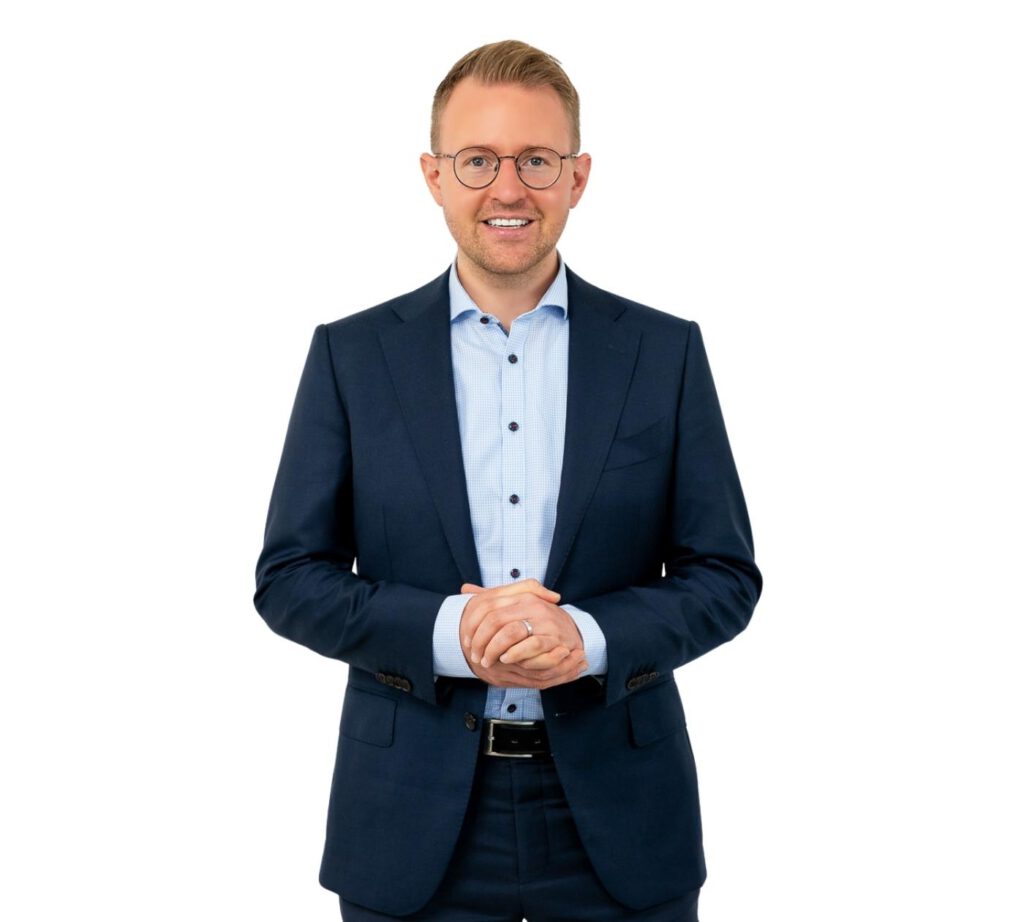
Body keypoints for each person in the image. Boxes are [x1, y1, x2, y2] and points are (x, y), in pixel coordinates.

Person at [254, 39, 762, 921]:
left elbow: (724, 575)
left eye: (536, 160)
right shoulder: (351, 356)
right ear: (434, 176)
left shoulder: (663, 352)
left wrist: (589, 638)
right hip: (409, 820)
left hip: (622, 820)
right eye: (478, 160)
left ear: (578, 177)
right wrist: (450, 631)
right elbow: (289, 578)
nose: (509, 188)